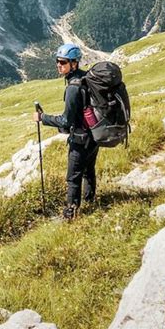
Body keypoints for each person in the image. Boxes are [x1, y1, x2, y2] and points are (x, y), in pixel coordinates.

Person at [32, 43, 99, 220]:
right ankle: (90, 201)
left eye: (62, 62)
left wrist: (42, 118)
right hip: (94, 134)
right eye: (57, 61)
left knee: (73, 177)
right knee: (88, 170)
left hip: (80, 138)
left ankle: (71, 212)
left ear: (74, 64)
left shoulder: (72, 88)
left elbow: (66, 120)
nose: (58, 65)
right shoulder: (85, 78)